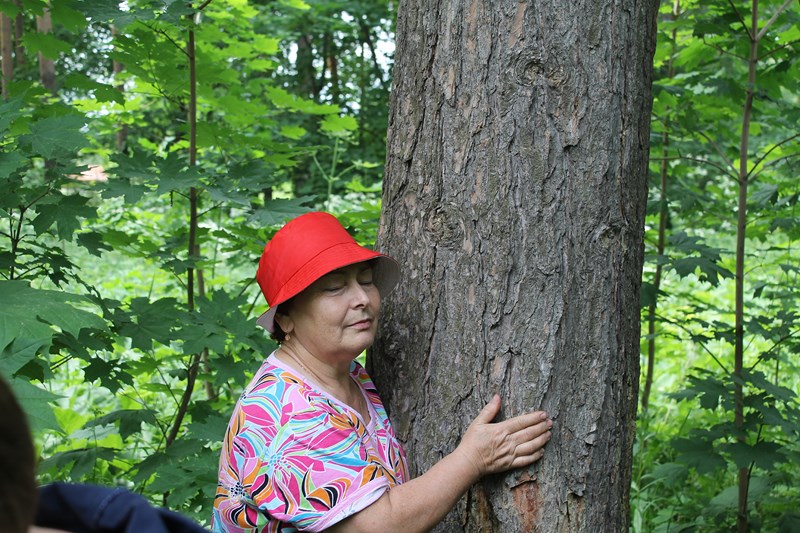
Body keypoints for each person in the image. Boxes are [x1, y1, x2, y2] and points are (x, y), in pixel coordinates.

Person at [212, 212, 553, 532]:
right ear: (285, 318)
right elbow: (377, 526)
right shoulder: (287, 412)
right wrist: (473, 458)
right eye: (334, 287)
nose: (362, 298)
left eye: (365, 280)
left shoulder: (347, 375)